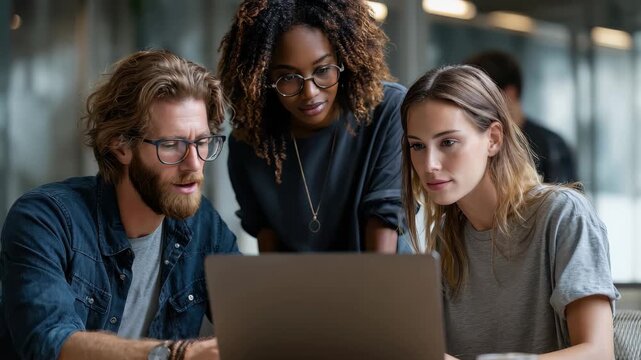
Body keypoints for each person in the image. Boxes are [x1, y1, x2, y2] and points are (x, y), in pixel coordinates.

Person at [0, 50, 237, 360]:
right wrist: (177, 354)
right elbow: (50, 344)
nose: (194, 164)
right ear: (121, 145)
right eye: (171, 145)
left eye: (202, 142)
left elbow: (255, 327)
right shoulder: (45, 220)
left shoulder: (202, 225)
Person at [400, 65, 619, 359]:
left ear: (493, 138)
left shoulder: (562, 214)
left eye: (448, 142)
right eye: (417, 146)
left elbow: (598, 352)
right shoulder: (445, 237)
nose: (429, 164)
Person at [218, 0, 409, 253]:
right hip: (298, 290)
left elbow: (384, 223)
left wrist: (371, 293)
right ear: (263, 79)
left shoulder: (388, 110)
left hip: (383, 284)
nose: (310, 93)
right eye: (288, 77)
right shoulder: (250, 142)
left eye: (323, 70)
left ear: (345, 60)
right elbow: (270, 252)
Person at [465, 50, 577, 183]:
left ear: (510, 93)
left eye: (481, 96)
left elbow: (565, 200)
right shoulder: (478, 142)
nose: (474, 105)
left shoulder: (550, 144)